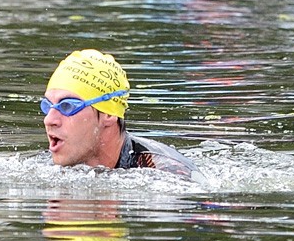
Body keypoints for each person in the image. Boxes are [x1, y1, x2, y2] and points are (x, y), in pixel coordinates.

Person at [41, 49, 199, 179]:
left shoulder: (167, 174)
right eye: (47, 106)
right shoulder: (51, 168)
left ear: (108, 114)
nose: (49, 120)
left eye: (67, 106)